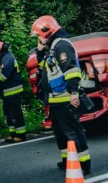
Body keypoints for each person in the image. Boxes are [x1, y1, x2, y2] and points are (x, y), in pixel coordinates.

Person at [31, 16, 92, 174]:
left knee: (72, 131)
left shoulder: (62, 45)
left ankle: (83, 163)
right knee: (60, 133)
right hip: (56, 100)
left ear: (47, 31)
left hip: (65, 98)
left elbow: (71, 70)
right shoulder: (51, 47)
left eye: (39, 34)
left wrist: (73, 93)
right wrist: (39, 51)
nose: (38, 38)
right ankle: (68, 160)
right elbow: (44, 68)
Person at [0, 39, 27, 143]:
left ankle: (21, 135)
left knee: (15, 114)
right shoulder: (4, 58)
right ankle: (13, 134)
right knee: (8, 114)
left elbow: (3, 76)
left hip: (13, 91)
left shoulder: (8, 58)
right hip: (7, 92)